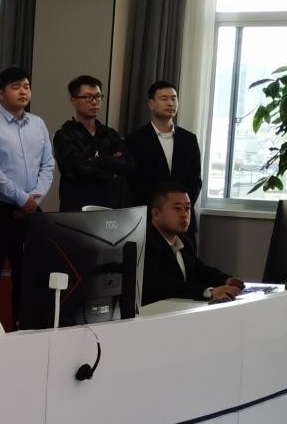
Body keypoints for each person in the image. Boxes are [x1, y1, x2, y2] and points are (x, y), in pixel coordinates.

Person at [0, 65, 55, 322]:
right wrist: (22, 199)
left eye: (26, 86)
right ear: (1, 93)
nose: (23, 91)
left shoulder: (38, 124)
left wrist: (34, 197)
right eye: (16, 87)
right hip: (0, 211)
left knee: (31, 274)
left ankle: (26, 326)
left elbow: (48, 164)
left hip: (33, 210)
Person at [141, 183, 243, 306]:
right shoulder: (144, 244)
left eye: (187, 208)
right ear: (156, 214)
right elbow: (163, 285)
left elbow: (199, 269)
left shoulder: (185, 242)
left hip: (179, 309)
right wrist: (208, 292)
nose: (184, 214)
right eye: (177, 208)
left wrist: (226, 280)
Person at [125, 81, 203, 234]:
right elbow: (134, 181)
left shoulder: (189, 139)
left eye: (174, 98)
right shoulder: (134, 140)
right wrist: (161, 208)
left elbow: (195, 179)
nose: (170, 103)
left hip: (183, 220)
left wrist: (181, 207)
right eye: (164, 99)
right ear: (151, 104)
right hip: (149, 218)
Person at [53, 75, 133, 212]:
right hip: (77, 208)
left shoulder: (110, 134)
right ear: (74, 100)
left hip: (110, 206)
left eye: (98, 97)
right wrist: (111, 166)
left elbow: (127, 163)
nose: (95, 102)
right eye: (88, 97)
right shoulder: (64, 135)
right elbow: (75, 169)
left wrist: (95, 160)